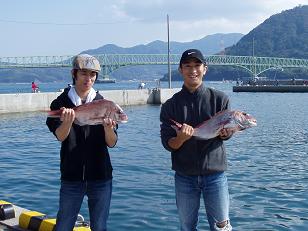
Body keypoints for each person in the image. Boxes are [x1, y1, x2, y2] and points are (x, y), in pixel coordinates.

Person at [160, 49, 233, 231]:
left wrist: (226, 133)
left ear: (205, 69)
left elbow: (227, 133)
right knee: (187, 227)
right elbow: (168, 144)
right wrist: (181, 138)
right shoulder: (170, 106)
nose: (193, 70)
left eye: (197, 65)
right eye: (188, 66)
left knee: (221, 227)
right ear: (180, 70)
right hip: (184, 176)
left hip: (215, 175)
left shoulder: (220, 99)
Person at [46, 54, 118, 231]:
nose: (89, 78)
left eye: (93, 74)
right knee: (63, 225)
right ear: (74, 74)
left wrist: (108, 128)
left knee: (100, 226)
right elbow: (60, 136)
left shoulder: (104, 103)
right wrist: (68, 121)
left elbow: (112, 142)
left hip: (101, 176)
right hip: (71, 177)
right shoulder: (60, 103)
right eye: (84, 73)